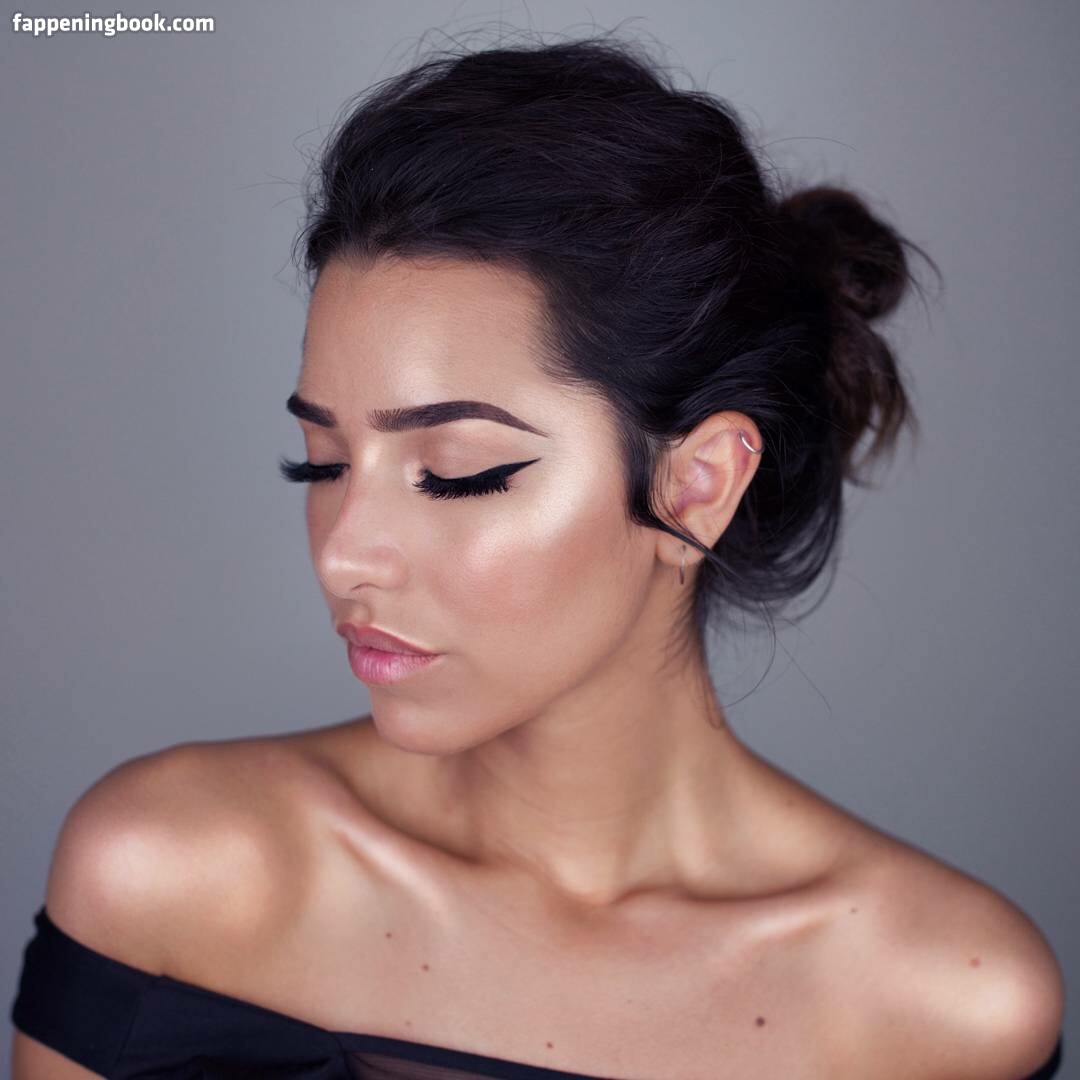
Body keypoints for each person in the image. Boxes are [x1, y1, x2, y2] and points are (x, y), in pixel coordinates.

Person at [10, 31, 1065, 1080]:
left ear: (697, 485)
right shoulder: (168, 873)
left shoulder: (945, 1003)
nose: (345, 557)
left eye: (456, 473)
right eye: (322, 463)